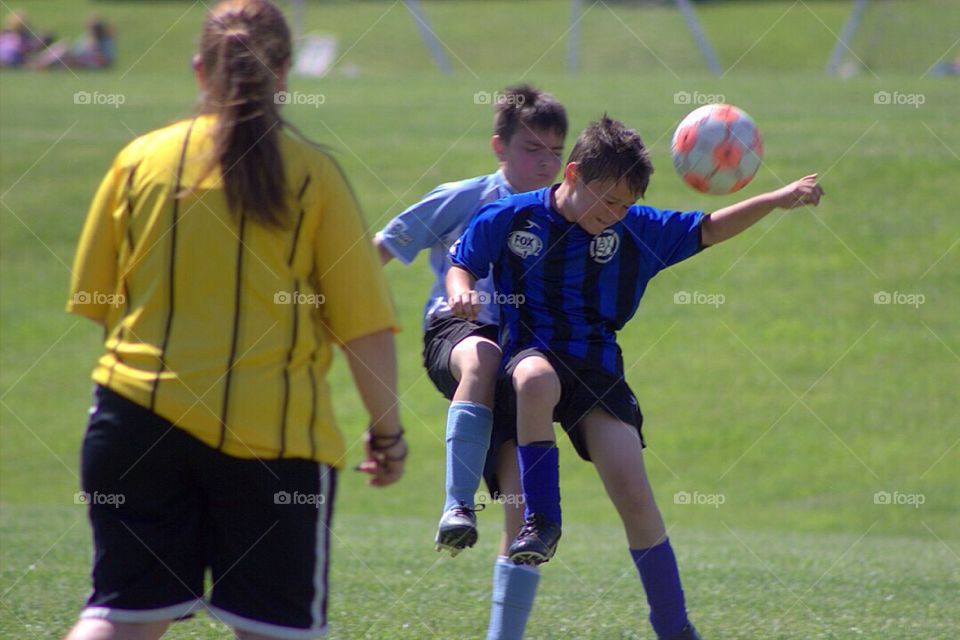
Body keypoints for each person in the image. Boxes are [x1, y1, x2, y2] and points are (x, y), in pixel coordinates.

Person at [62, 1, 405, 639]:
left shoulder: (139, 161)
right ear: (283, 74)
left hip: (131, 423)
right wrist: (388, 438)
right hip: (273, 445)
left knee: (119, 618)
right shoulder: (315, 176)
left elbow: (98, 302)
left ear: (200, 70)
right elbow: (362, 327)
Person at [448, 115, 824, 640]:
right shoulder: (511, 218)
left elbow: (710, 227)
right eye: (606, 200)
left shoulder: (635, 228)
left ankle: (675, 629)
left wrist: (777, 198)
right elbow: (461, 261)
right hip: (530, 353)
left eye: (624, 205)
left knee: (634, 491)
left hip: (598, 369)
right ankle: (544, 520)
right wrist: (460, 288)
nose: (614, 214)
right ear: (573, 174)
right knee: (534, 379)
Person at [373, 84, 567, 639]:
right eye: (533, 149)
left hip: (522, 362)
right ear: (498, 147)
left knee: (523, 511)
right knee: (481, 354)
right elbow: (381, 247)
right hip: (457, 337)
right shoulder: (465, 198)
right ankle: (457, 507)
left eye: (556, 151)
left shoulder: (561, 216)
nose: (546, 161)